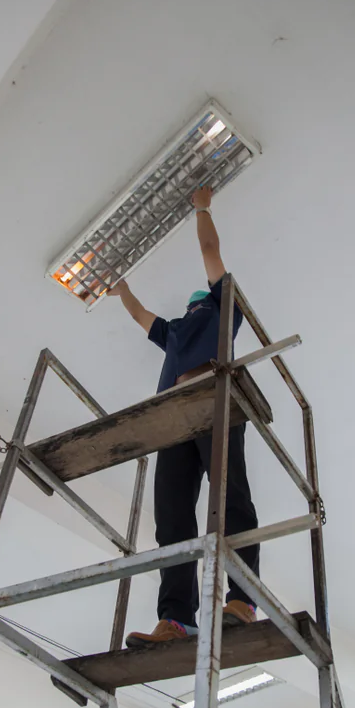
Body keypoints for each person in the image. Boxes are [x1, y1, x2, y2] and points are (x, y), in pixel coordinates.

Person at [108, 185, 259, 647]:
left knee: (230, 499)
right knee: (172, 519)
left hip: (214, 402)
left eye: (201, 302)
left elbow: (210, 250)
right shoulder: (174, 331)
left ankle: (242, 600)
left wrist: (202, 207)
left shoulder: (223, 308)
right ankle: (177, 618)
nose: (195, 307)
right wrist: (120, 287)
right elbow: (139, 315)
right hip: (172, 417)